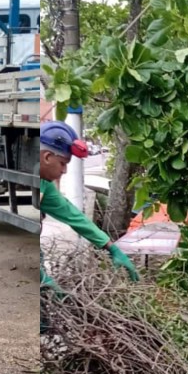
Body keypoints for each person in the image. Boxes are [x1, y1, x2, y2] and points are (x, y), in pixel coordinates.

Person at [38, 120, 138, 286]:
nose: (64, 170)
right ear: (47, 157)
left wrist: (112, 248)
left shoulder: (45, 185)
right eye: (63, 163)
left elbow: (74, 216)